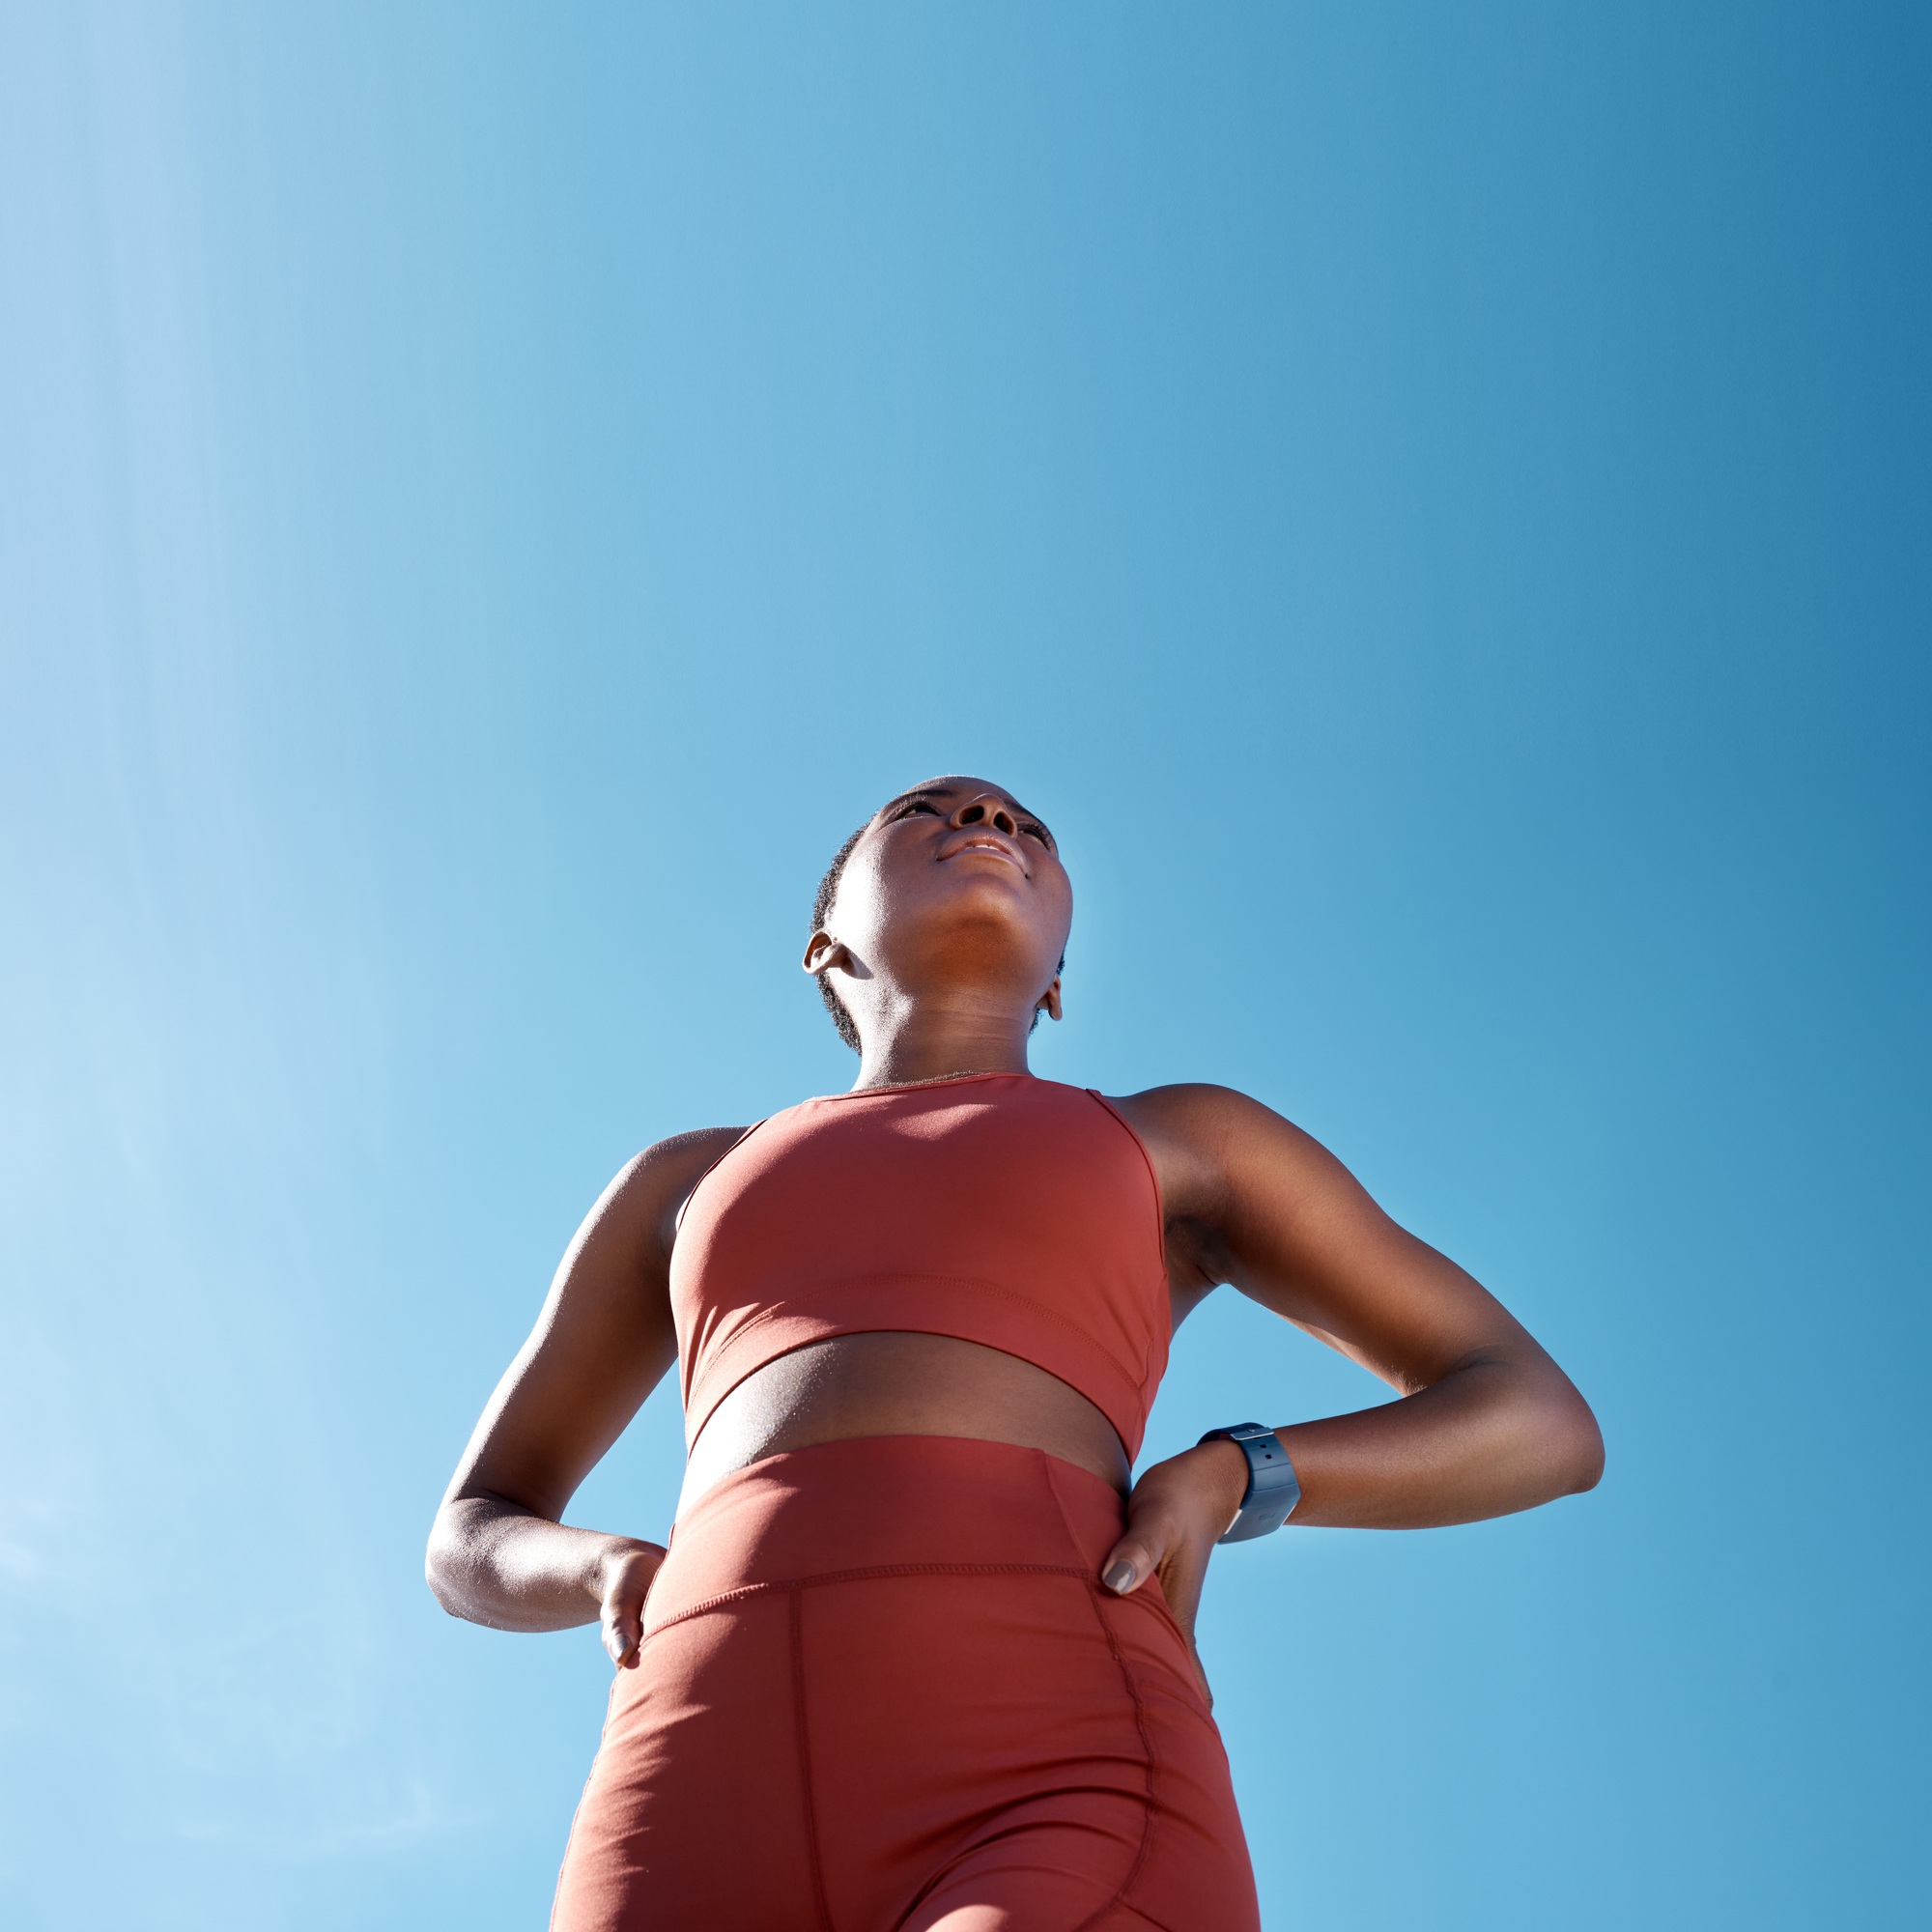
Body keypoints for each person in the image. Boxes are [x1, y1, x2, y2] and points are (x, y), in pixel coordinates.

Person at [426, 777, 1603, 1932]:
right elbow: (469, 1529)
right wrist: (592, 1569)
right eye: (925, 810)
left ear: (1057, 985)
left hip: (1050, 1743)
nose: (989, 821)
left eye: (1026, 824)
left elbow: (1537, 1419)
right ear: (821, 941)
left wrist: (1235, 1473)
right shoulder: (679, 1183)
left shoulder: (1178, 1139)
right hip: (680, 1774)